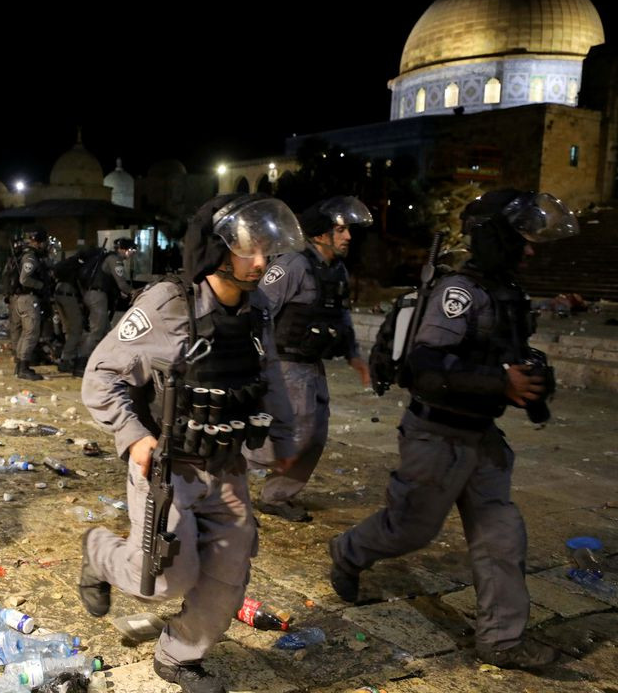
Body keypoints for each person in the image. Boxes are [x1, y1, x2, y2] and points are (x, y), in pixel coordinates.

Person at [329, 190, 579, 670]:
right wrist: (500, 382)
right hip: (435, 438)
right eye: (522, 239)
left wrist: (529, 383)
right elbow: (425, 367)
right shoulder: (457, 292)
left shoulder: (503, 292)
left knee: (502, 537)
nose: (530, 250)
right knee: (409, 530)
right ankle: (348, 551)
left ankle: (502, 641)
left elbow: (504, 358)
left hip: (481, 438)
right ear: (497, 238)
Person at [78, 194, 301, 693]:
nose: (261, 263)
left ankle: (179, 655)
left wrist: (284, 442)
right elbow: (101, 374)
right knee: (160, 578)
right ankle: (97, 552)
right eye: (249, 251)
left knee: (229, 572)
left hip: (226, 465)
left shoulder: (256, 308)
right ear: (217, 250)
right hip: (167, 468)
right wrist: (133, 436)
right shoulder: (169, 303)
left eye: (266, 250)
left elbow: (269, 377)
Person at [250, 195, 372, 522]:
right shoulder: (293, 265)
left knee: (315, 436)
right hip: (285, 363)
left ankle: (277, 497)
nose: (348, 237)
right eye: (340, 230)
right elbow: (259, 310)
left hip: (312, 365)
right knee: (290, 438)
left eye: (348, 230)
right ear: (320, 234)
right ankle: (216, 465)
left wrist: (354, 356)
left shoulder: (336, 271)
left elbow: (341, 317)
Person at [76, 237, 138, 373]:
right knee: (97, 331)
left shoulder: (107, 257)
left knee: (106, 331)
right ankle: (82, 362)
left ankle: (105, 360)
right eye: (130, 250)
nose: (131, 254)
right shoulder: (114, 260)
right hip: (98, 296)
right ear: (123, 249)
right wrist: (135, 292)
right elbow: (122, 284)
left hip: (93, 294)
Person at [5, 227, 51, 381]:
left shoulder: (21, 254)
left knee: (23, 334)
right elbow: (24, 279)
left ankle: (20, 366)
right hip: (28, 298)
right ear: (40, 242)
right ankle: (23, 367)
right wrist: (41, 285)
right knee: (30, 333)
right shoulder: (30, 257)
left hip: (19, 299)